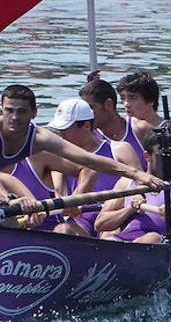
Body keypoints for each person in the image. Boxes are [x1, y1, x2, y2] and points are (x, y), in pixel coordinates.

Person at [0, 87, 164, 218]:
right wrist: (10, 201)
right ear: (1, 109)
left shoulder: (38, 138)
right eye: (9, 111)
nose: (14, 118)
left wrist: (137, 174)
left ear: (34, 113)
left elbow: (88, 159)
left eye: (21, 112)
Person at [36, 97, 145, 237]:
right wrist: (68, 206)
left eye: (66, 129)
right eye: (59, 130)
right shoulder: (59, 157)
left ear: (87, 126)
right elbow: (60, 194)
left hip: (114, 215)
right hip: (81, 218)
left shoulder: (120, 149)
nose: (60, 135)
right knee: (62, 231)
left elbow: (140, 186)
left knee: (108, 236)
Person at [94, 131, 171, 243]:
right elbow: (100, 224)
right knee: (108, 238)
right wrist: (130, 210)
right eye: (161, 152)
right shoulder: (127, 183)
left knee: (152, 237)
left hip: (158, 244)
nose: (167, 157)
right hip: (125, 239)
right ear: (147, 156)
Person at [79, 77, 148, 171]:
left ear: (108, 104)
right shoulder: (89, 137)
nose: (86, 115)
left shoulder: (140, 129)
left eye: (91, 108)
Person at [114, 70, 164, 153]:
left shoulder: (169, 129)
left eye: (133, 98)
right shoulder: (121, 128)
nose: (126, 104)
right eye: (123, 98)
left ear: (151, 100)